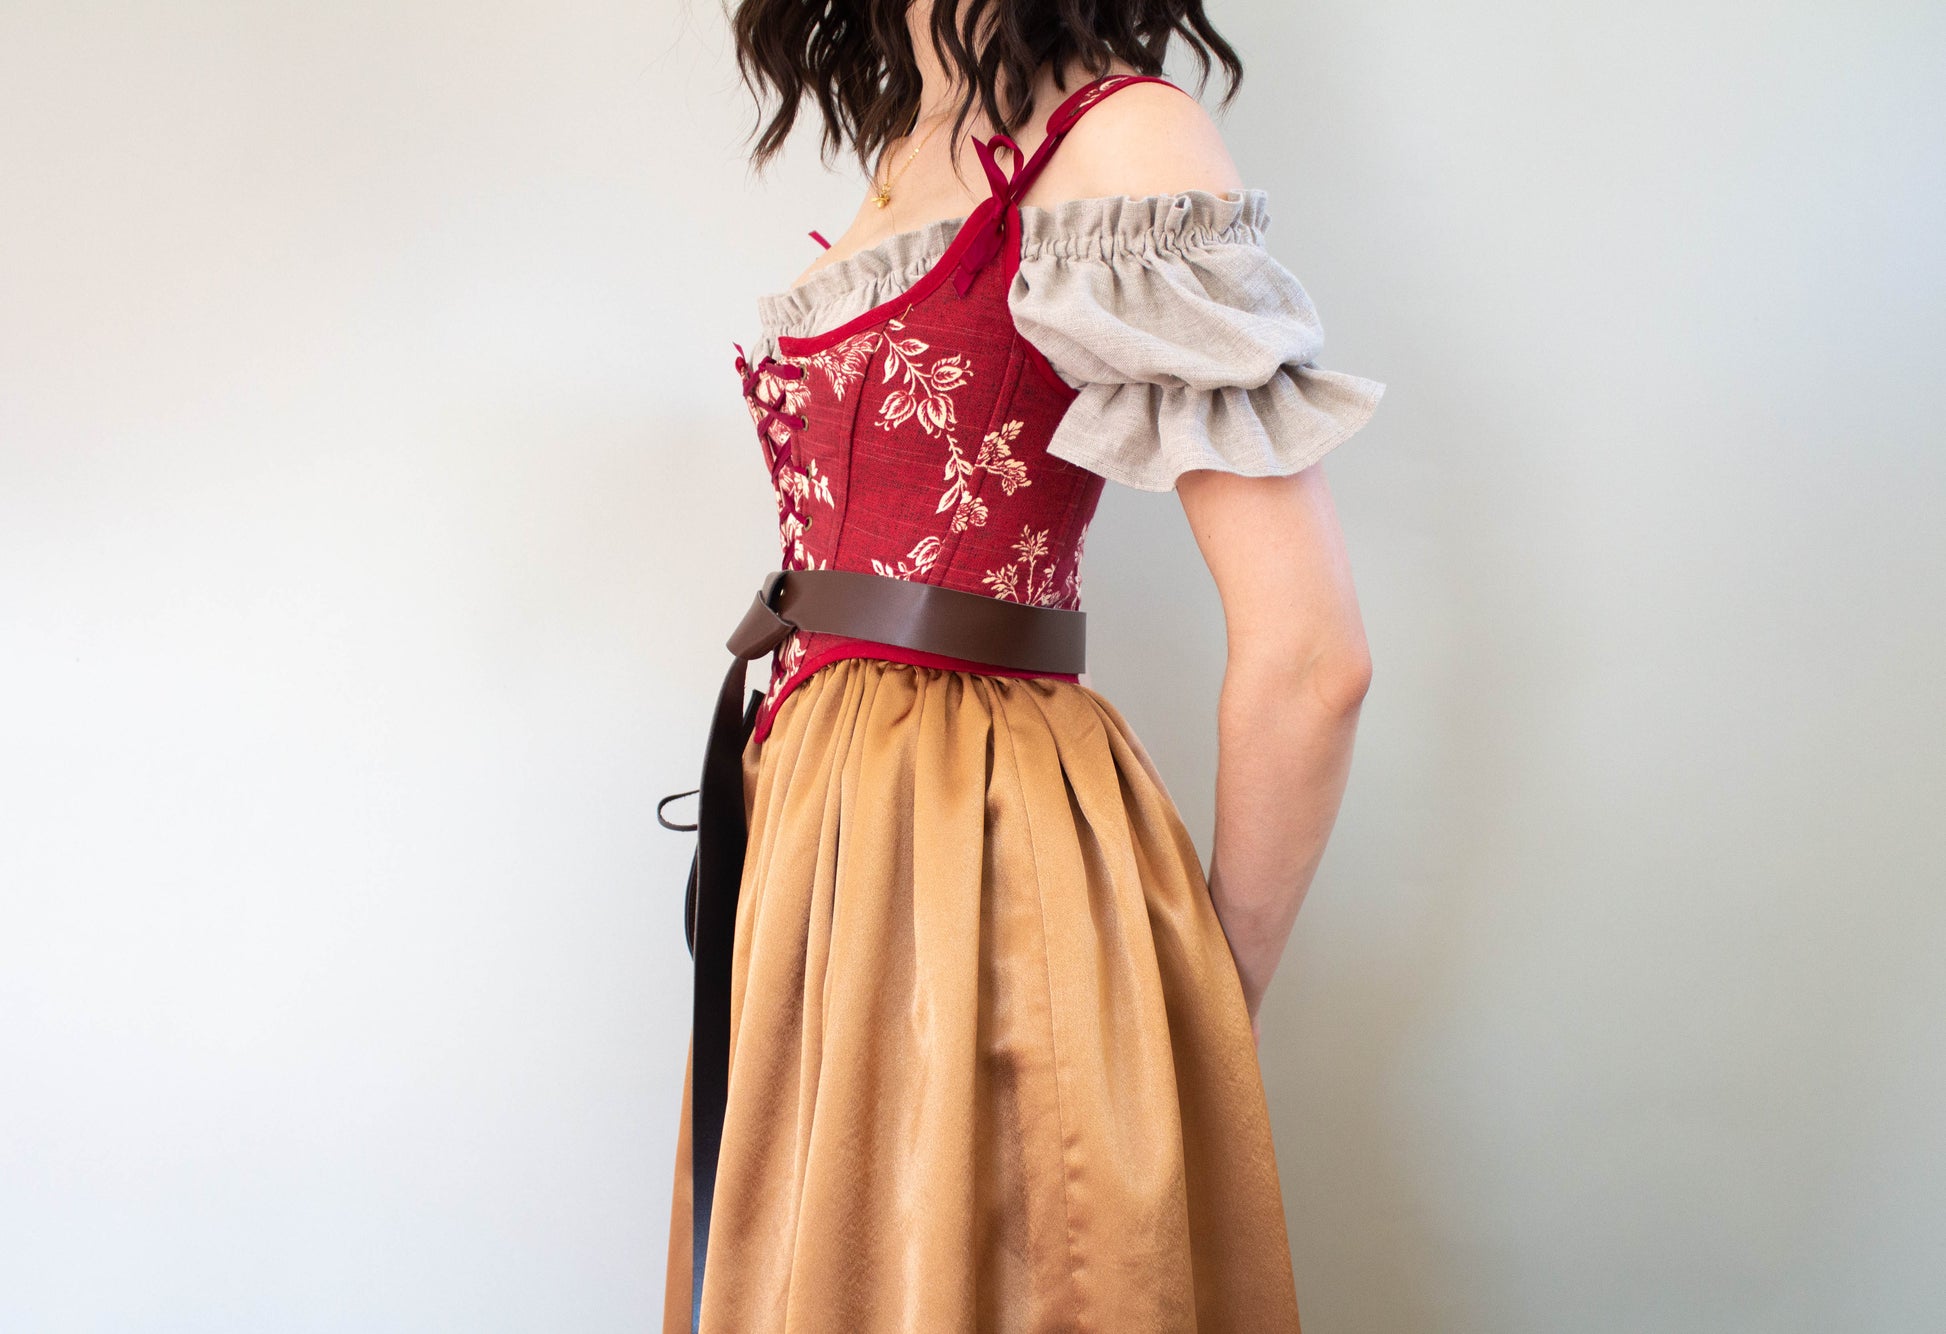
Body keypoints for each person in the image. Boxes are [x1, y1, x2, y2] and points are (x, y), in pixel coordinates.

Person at [659, 2, 1384, 1329]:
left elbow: (1308, 653)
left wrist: (1198, 1007)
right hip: (816, 831)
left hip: (976, 848)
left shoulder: (1122, 140)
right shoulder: (912, 128)